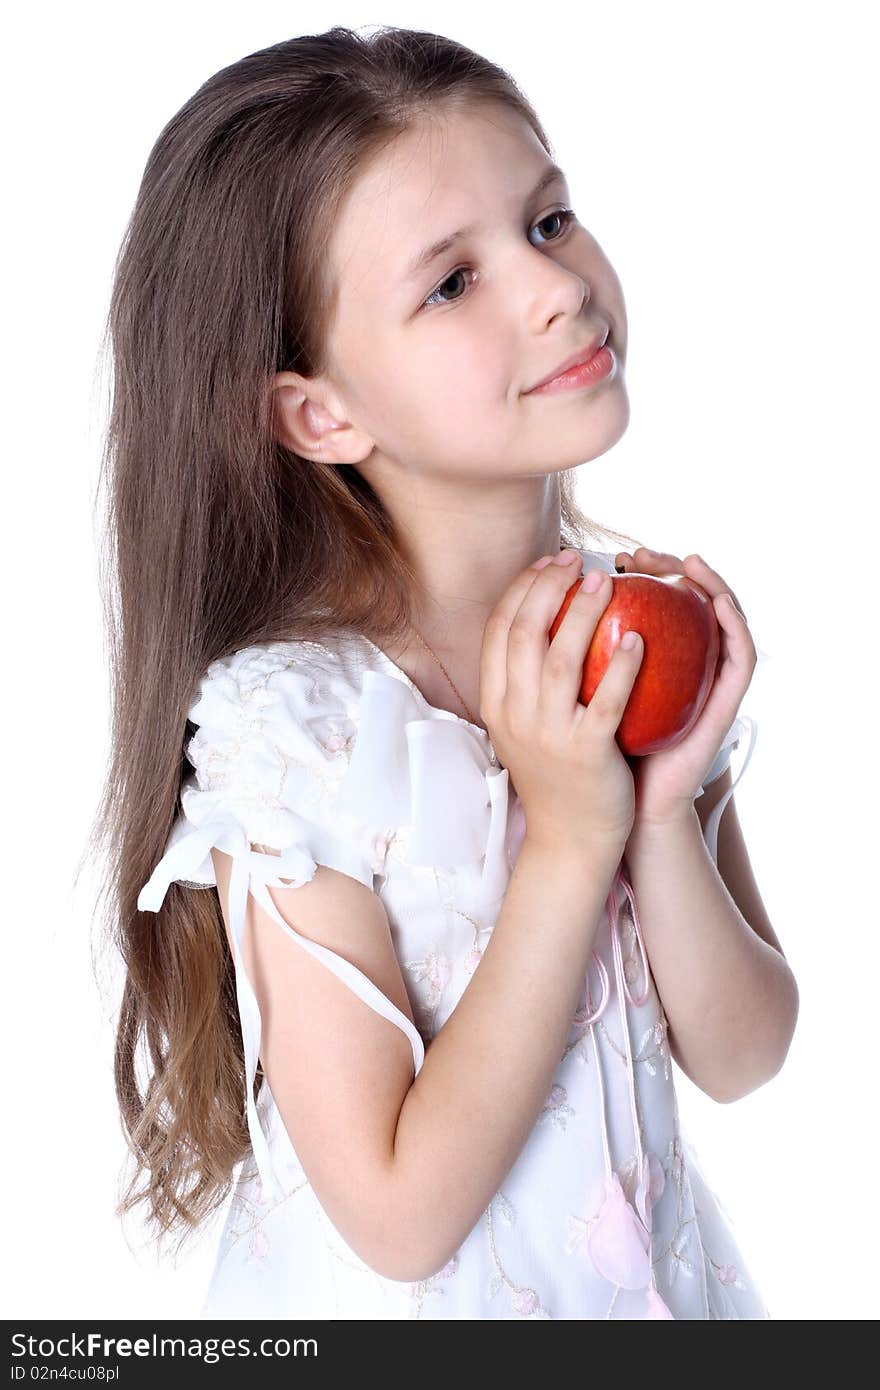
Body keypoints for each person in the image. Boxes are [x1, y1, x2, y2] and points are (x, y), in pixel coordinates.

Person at [93, 25, 798, 1319]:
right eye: (452, 282)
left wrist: (655, 812)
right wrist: (571, 843)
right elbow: (400, 1214)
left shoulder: (625, 633)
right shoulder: (304, 732)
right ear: (320, 413)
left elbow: (745, 1050)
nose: (556, 290)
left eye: (549, 221)